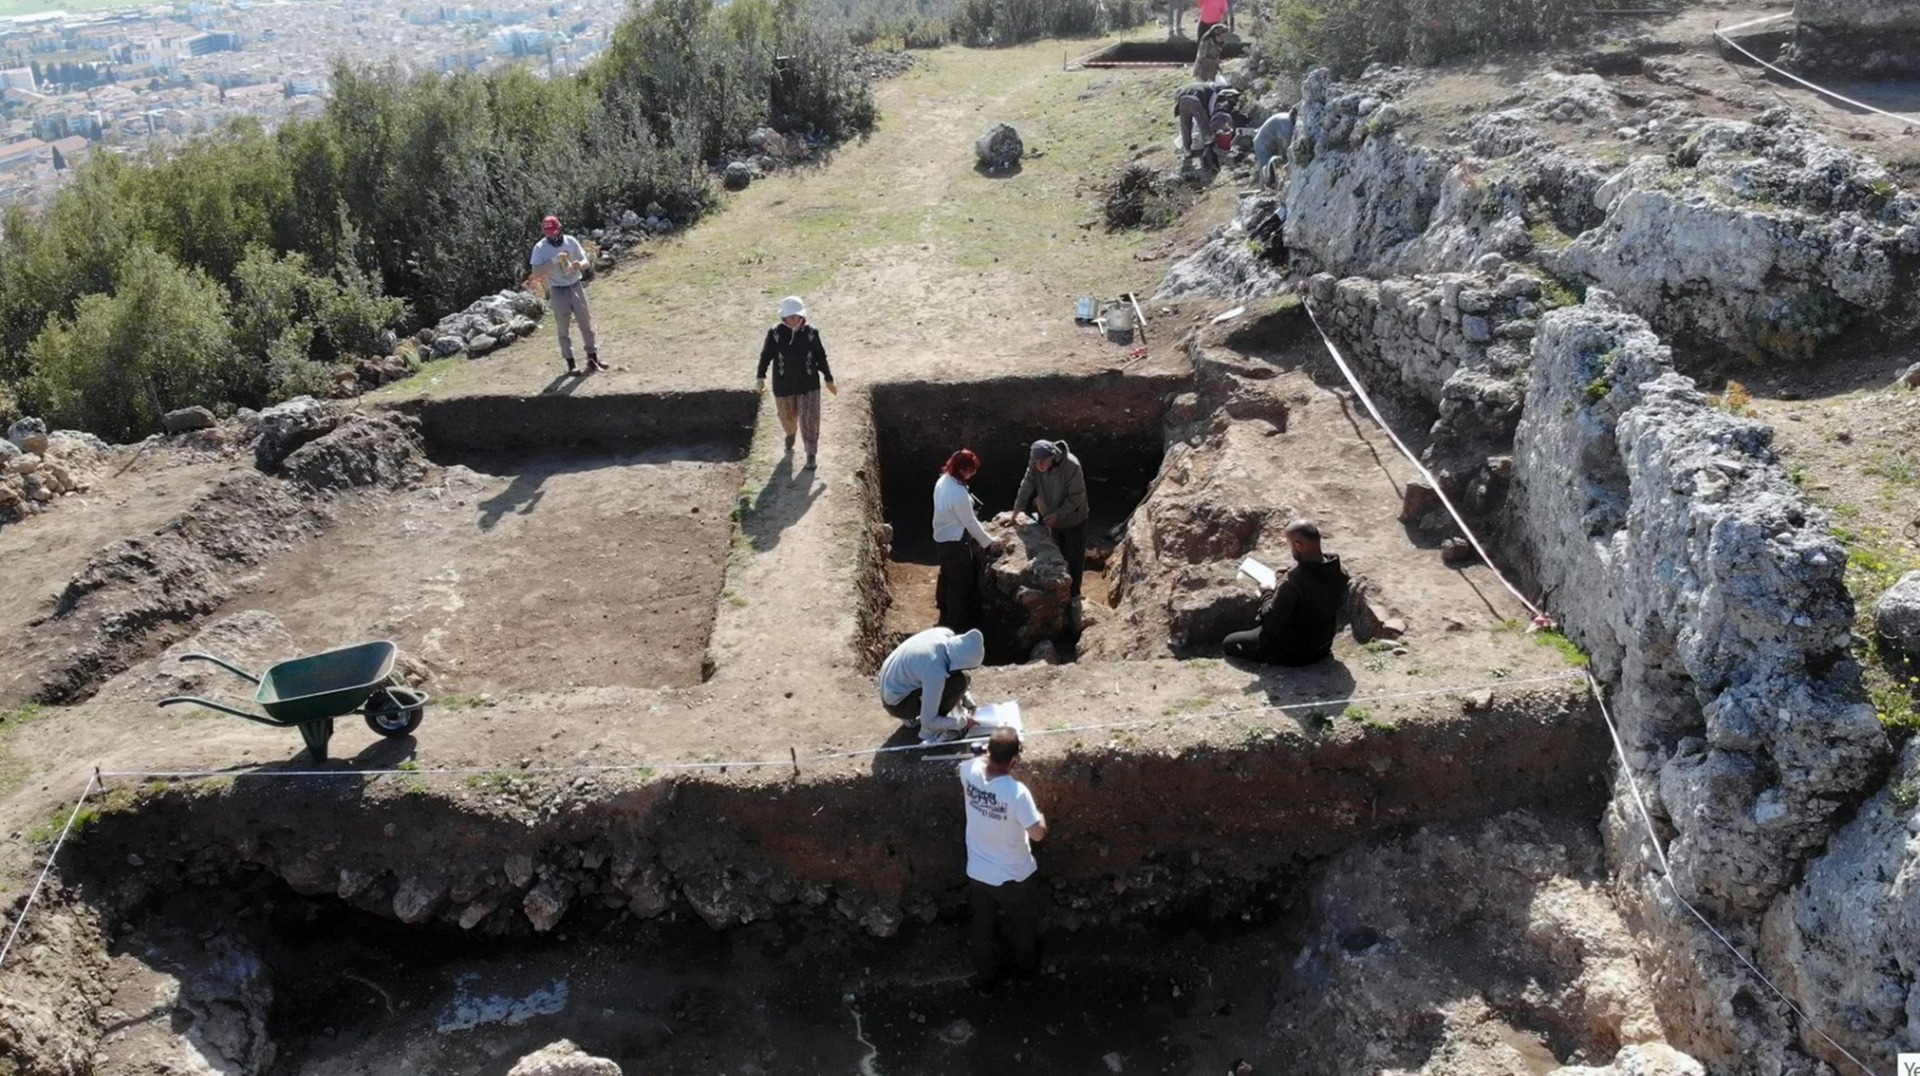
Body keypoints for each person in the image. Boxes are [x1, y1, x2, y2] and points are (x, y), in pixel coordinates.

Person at [962, 727, 1047, 992]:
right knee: (1022, 928)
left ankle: (987, 981)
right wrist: (1040, 817)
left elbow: (972, 760)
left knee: (982, 928)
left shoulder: (969, 771)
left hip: (978, 874)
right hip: (1015, 877)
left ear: (988, 751)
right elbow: (1038, 834)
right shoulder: (1016, 793)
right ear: (1014, 761)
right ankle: (1026, 973)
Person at [1222, 519, 1350, 665]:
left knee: (1229, 642)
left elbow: (1271, 621)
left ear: (1298, 545)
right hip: (1322, 646)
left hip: (1295, 653)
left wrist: (1266, 593)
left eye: (1289, 544)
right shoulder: (1338, 569)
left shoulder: (1293, 582)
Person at [756, 295, 836, 471]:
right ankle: (790, 433)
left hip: (809, 384)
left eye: (796, 316)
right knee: (787, 418)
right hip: (784, 386)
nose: (794, 319)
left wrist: (828, 378)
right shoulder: (775, 334)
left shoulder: (811, 333)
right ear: (783, 317)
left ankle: (811, 454)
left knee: (810, 419)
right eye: (790, 316)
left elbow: (820, 356)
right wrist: (760, 377)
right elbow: (766, 356)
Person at [1008, 439, 1090, 598]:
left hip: (1074, 520)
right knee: (1057, 556)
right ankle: (1060, 596)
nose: (1039, 465)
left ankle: (1073, 596)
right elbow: (1027, 484)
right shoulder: (1035, 463)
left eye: (1043, 462)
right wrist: (1016, 511)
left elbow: (1077, 497)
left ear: (1053, 456)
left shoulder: (1072, 466)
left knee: (1074, 559)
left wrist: (1059, 514)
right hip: (1051, 518)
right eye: (1036, 462)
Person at [933, 449, 1004, 631]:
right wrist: (989, 542)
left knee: (947, 573)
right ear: (962, 470)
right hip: (956, 542)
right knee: (960, 583)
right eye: (971, 470)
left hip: (941, 537)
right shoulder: (959, 494)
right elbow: (970, 522)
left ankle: (942, 606)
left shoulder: (943, 480)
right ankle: (954, 624)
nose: (973, 473)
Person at [526, 215, 604, 375]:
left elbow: (586, 261)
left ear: (559, 229)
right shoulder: (540, 248)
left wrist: (578, 265)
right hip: (558, 290)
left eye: (553, 232)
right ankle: (571, 364)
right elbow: (535, 273)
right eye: (548, 233)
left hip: (576, 286)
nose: (551, 236)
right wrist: (552, 262)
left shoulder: (570, 241)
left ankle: (593, 358)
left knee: (586, 323)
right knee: (563, 328)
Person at [880, 626, 986, 741]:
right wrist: (963, 721)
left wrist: (969, 702)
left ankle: (911, 716)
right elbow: (928, 720)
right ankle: (928, 733)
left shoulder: (944, 634)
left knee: (961, 677)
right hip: (897, 705)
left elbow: (956, 668)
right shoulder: (935, 670)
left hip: (890, 688)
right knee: (959, 682)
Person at [1176, 83, 1239, 158]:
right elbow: (1209, 108)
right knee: (1203, 124)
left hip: (1182, 101)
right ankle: (1208, 148)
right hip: (1195, 101)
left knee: (1185, 125)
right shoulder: (1211, 91)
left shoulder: (1185, 90)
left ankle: (1187, 149)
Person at [1253, 107, 1296, 189]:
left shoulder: (1286, 119)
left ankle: (1263, 190)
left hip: (1267, 143)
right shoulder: (1287, 124)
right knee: (1267, 170)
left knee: (1267, 169)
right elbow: (1286, 147)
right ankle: (1264, 191)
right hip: (1263, 144)